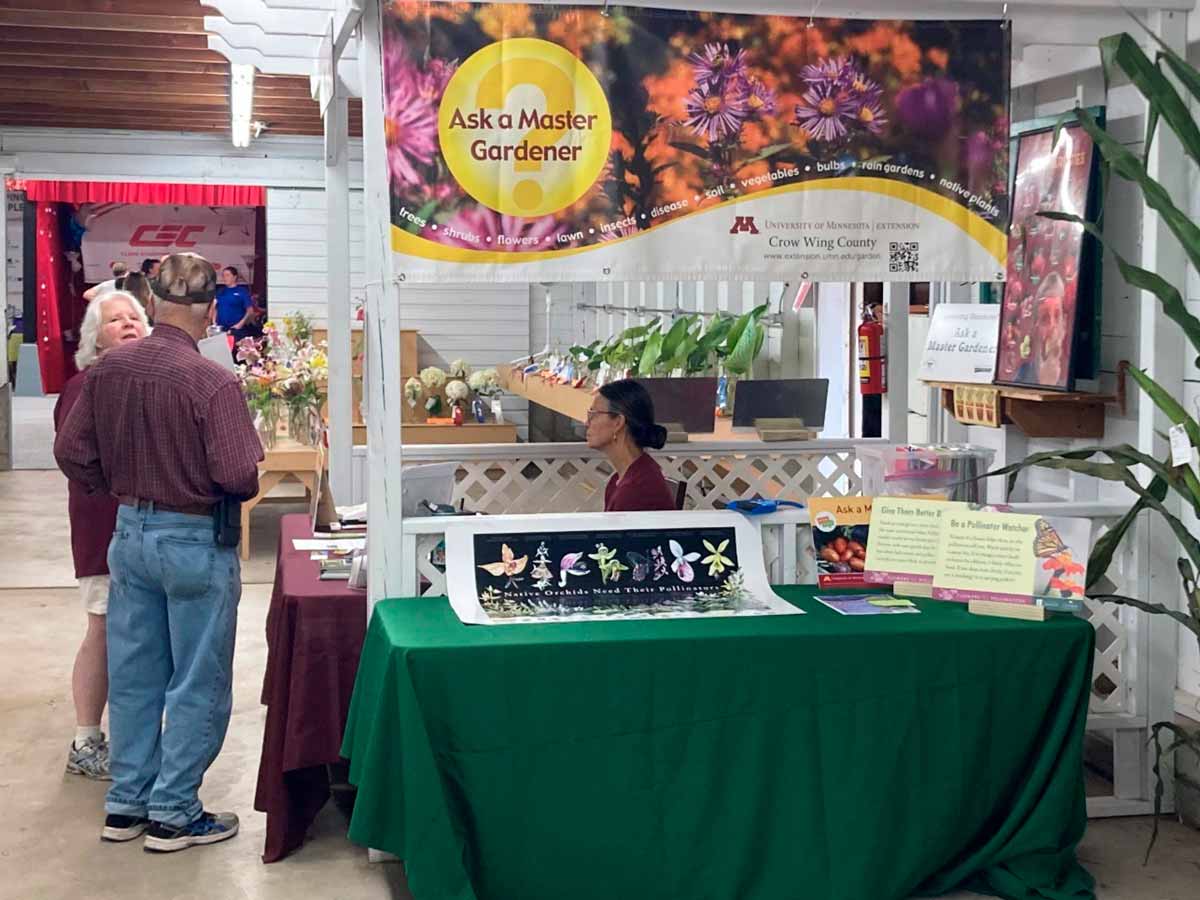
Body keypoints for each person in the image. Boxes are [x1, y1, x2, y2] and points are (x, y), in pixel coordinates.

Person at [54, 253, 263, 852]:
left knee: (136, 675)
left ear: (150, 302)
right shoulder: (213, 380)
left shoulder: (107, 371)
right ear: (207, 310)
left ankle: (125, 805)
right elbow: (237, 475)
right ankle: (173, 812)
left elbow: (72, 453)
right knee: (197, 678)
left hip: (130, 533)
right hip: (194, 539)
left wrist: (114, 485)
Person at [54, 291, 150, 781]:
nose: (129, 324)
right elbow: (73, 453)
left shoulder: (145, 381)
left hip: (145, 530)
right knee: (103, 629)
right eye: (116, 320)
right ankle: (85, 740)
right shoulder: (85, 385)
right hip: (103, 531)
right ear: (96, 336)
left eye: (135, 317)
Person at [587, 379, 676, 512]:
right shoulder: (621, 479)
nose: (586, 422)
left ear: (618, 422)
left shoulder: (636, 491)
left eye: (593, 415)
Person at [214, 266, 255, 342]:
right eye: (223, 275)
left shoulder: (242, 291)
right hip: (221, 329)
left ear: (234, 277)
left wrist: (240, 324)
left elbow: (250, 311)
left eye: (227, 275)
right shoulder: (220, 291)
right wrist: (214, 322)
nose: (225, 278)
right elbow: (215, 308)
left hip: (236, 330)